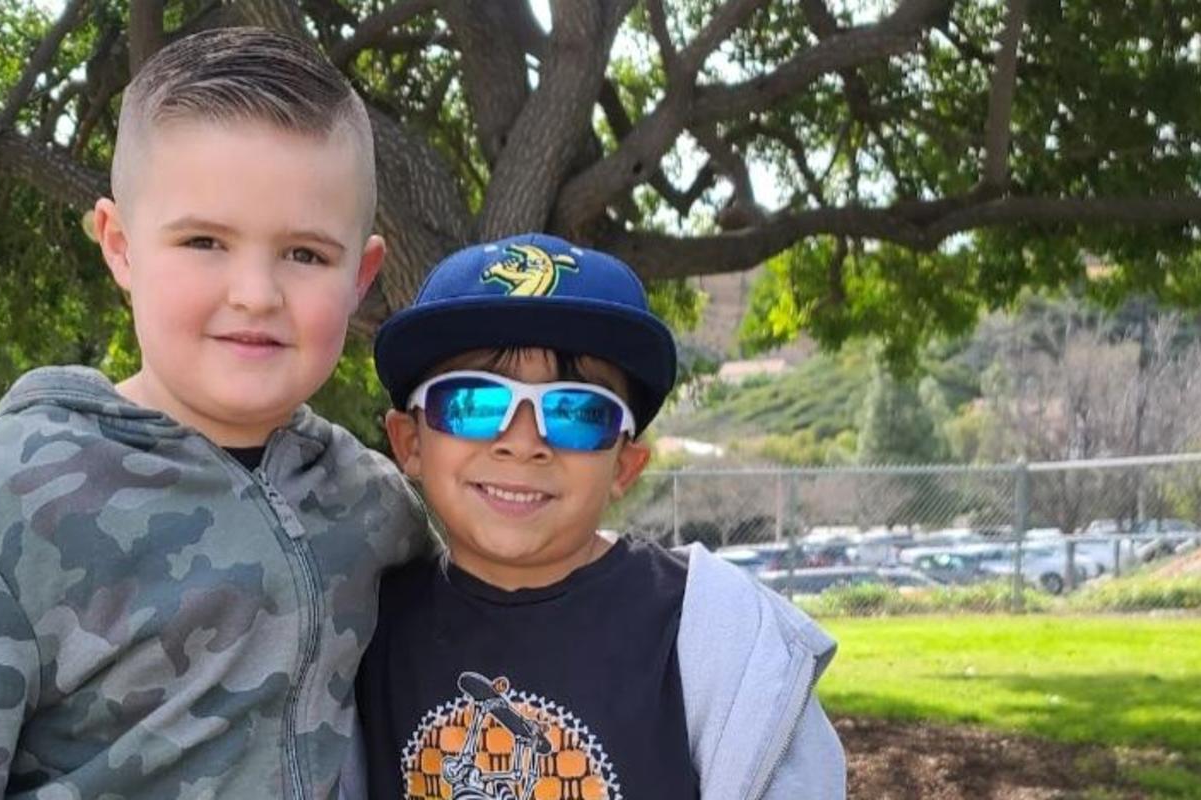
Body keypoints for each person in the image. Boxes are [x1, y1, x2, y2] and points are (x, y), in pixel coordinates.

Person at [0, 27, 427, 799]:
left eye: (306, 255)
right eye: (205, 241)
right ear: (119, 246)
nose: (256, 293)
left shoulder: (376, 506)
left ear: (362, 276)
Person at [350, 233, 846, 799]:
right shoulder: (361, 629)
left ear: (624, 467)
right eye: (474, 403)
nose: (523, 442)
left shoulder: (714, 640)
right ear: (409, 442)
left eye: (578, 413)